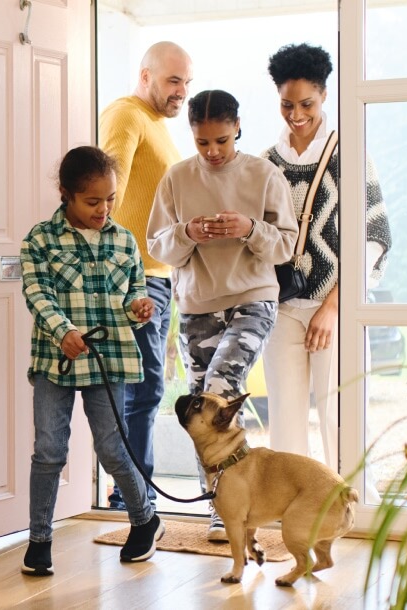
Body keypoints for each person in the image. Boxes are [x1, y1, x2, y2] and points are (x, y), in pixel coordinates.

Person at [147, 90, 296, 542]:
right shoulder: (176, 179)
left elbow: (287, 245)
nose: (212, 152)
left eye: (222, 141)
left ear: (238, 131)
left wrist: (250, 229)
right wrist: (188, 232)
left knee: (218, 392)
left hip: (253, 297)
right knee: (201, 406)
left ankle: (235, 505)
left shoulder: (263, 174)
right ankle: (224, 508)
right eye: (202, 143)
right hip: (197, 305)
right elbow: (157, 245)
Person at [19, 145, 163, 576]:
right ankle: (39, 540)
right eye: (93, 201)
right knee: (48, 450)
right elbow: (37, 292)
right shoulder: (40, 240)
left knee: (111, 448)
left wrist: (139, 306)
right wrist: (63, 331)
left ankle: (145, 519)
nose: (104, 210)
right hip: (56, 359)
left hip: (110, 358)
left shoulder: (123, 239)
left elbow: (133, 290)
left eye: (110, 200)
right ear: (66, 195)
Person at [259, 43, 392, 470]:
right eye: (286, 104)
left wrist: (334, 304)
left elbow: (374, 234)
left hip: (334, 307)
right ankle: (289, 510)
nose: (296, 114)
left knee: (340, 418)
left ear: (325, 96)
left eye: (306, 103)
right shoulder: (266, 163)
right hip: (281, 308)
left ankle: (345, 510)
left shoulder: (349, 155)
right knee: (285, 421)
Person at [97, 41, 191, 511]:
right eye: (174, 81)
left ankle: (135, 492)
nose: (182, 92)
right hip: (134, 277)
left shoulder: (158, 125)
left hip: (158, 274)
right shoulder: (126, 114)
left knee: (146, 386)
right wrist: (119, 270)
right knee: (142, 385)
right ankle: (132, 495)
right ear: (146, 75)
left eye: (187, 83)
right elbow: (106, 190)